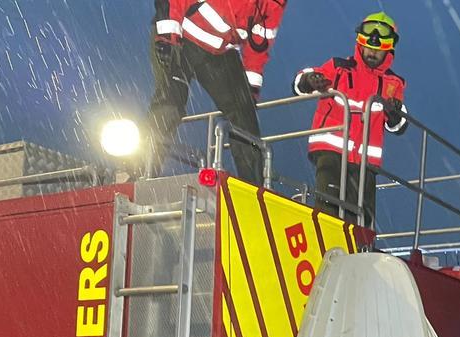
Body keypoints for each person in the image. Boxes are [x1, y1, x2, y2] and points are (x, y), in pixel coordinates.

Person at [149, 0, 287, 184]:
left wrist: (250, 93)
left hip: (219, 53)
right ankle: (139, 169)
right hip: (181, 35)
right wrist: (167, 36)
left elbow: (259, 48)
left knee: (244, 117)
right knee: (171, 102)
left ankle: (254, 188)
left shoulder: (274, 3)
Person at [292, 12, 408, 223]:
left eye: (377, 51)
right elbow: (300, 83)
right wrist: (310, 79)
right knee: (328, 208)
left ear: (388, 51)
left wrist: (394, 113)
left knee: (362, 217)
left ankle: (360, 251)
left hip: (365, 162)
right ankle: (326, 247)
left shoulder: (394, 83)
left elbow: (400, 126)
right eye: (369, 48)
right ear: (360, 45)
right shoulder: (338, 68)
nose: (372, 53)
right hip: (330, 151)